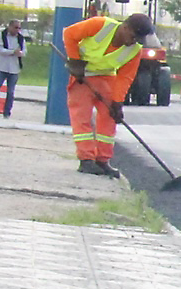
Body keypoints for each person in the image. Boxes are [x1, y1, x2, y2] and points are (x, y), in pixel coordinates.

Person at [63, 11, 160, 176]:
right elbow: (69, 34)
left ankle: (103, 160)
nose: (134, 42)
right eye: (133, 36)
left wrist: (117, 102)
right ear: (125, 27)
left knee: (109, 118)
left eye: (138, 39)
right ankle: (86, 160)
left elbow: (125, 77)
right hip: (82, 76)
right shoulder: (100, 25)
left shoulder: (134, 50)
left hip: (106, 79)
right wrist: (75, 61)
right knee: (82, 117)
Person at [0, 19, 27, 117]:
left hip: (14, 69)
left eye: (19, 28)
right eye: (15, 27)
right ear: (9, 26)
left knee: (11, 92)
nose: (17, 30)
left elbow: (24, 51)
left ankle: (7, 113)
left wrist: (20, 53)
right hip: (1, 67)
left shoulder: (21, 39)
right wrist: (13, 52)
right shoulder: (1, 36)